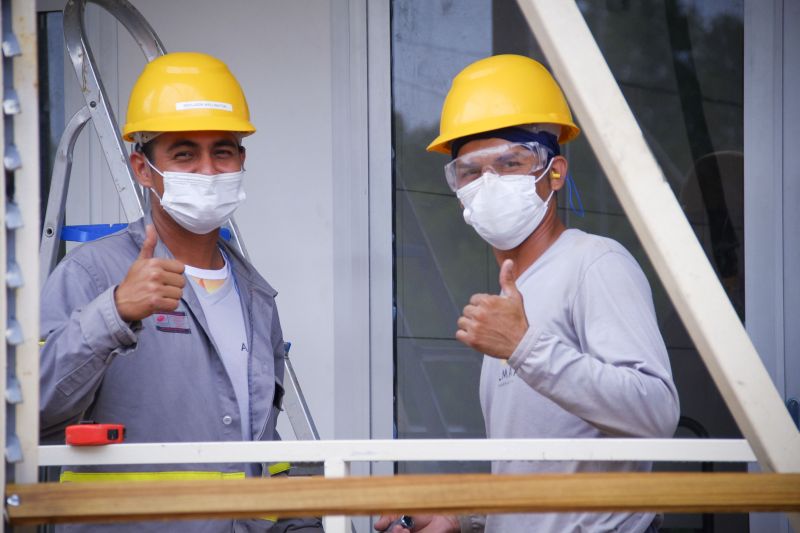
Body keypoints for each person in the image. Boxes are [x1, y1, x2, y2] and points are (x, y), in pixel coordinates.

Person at [376, 54, 680, 533]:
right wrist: (463, 517)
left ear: (554, 173)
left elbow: (656, 412)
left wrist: (524, 347)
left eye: (511, 163)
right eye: (470, 171)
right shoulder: (512, 295)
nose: (488, 183)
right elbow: (536, 475)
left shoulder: (594, 263)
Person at [39, 52, 323, 533]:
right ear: (143, 168)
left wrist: (302, 524)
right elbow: (31, 410)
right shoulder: (91, 274)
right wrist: (114, 312)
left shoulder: (255, 296)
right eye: (185, 153)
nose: (208, 171)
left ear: (241, 161)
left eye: (223, 151)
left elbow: (261, 450)